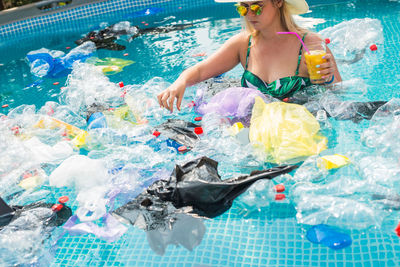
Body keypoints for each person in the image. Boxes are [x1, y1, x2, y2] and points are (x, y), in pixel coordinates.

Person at [157, 0, 342, 112]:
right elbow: (200, 71)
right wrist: (180, 81)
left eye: (257, 7)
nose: (250, 14)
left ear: (278, 2)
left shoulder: (310, 45)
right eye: (244, 8)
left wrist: (330, 77)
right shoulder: (243, 44)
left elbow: (339, 95)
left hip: (300, 135)